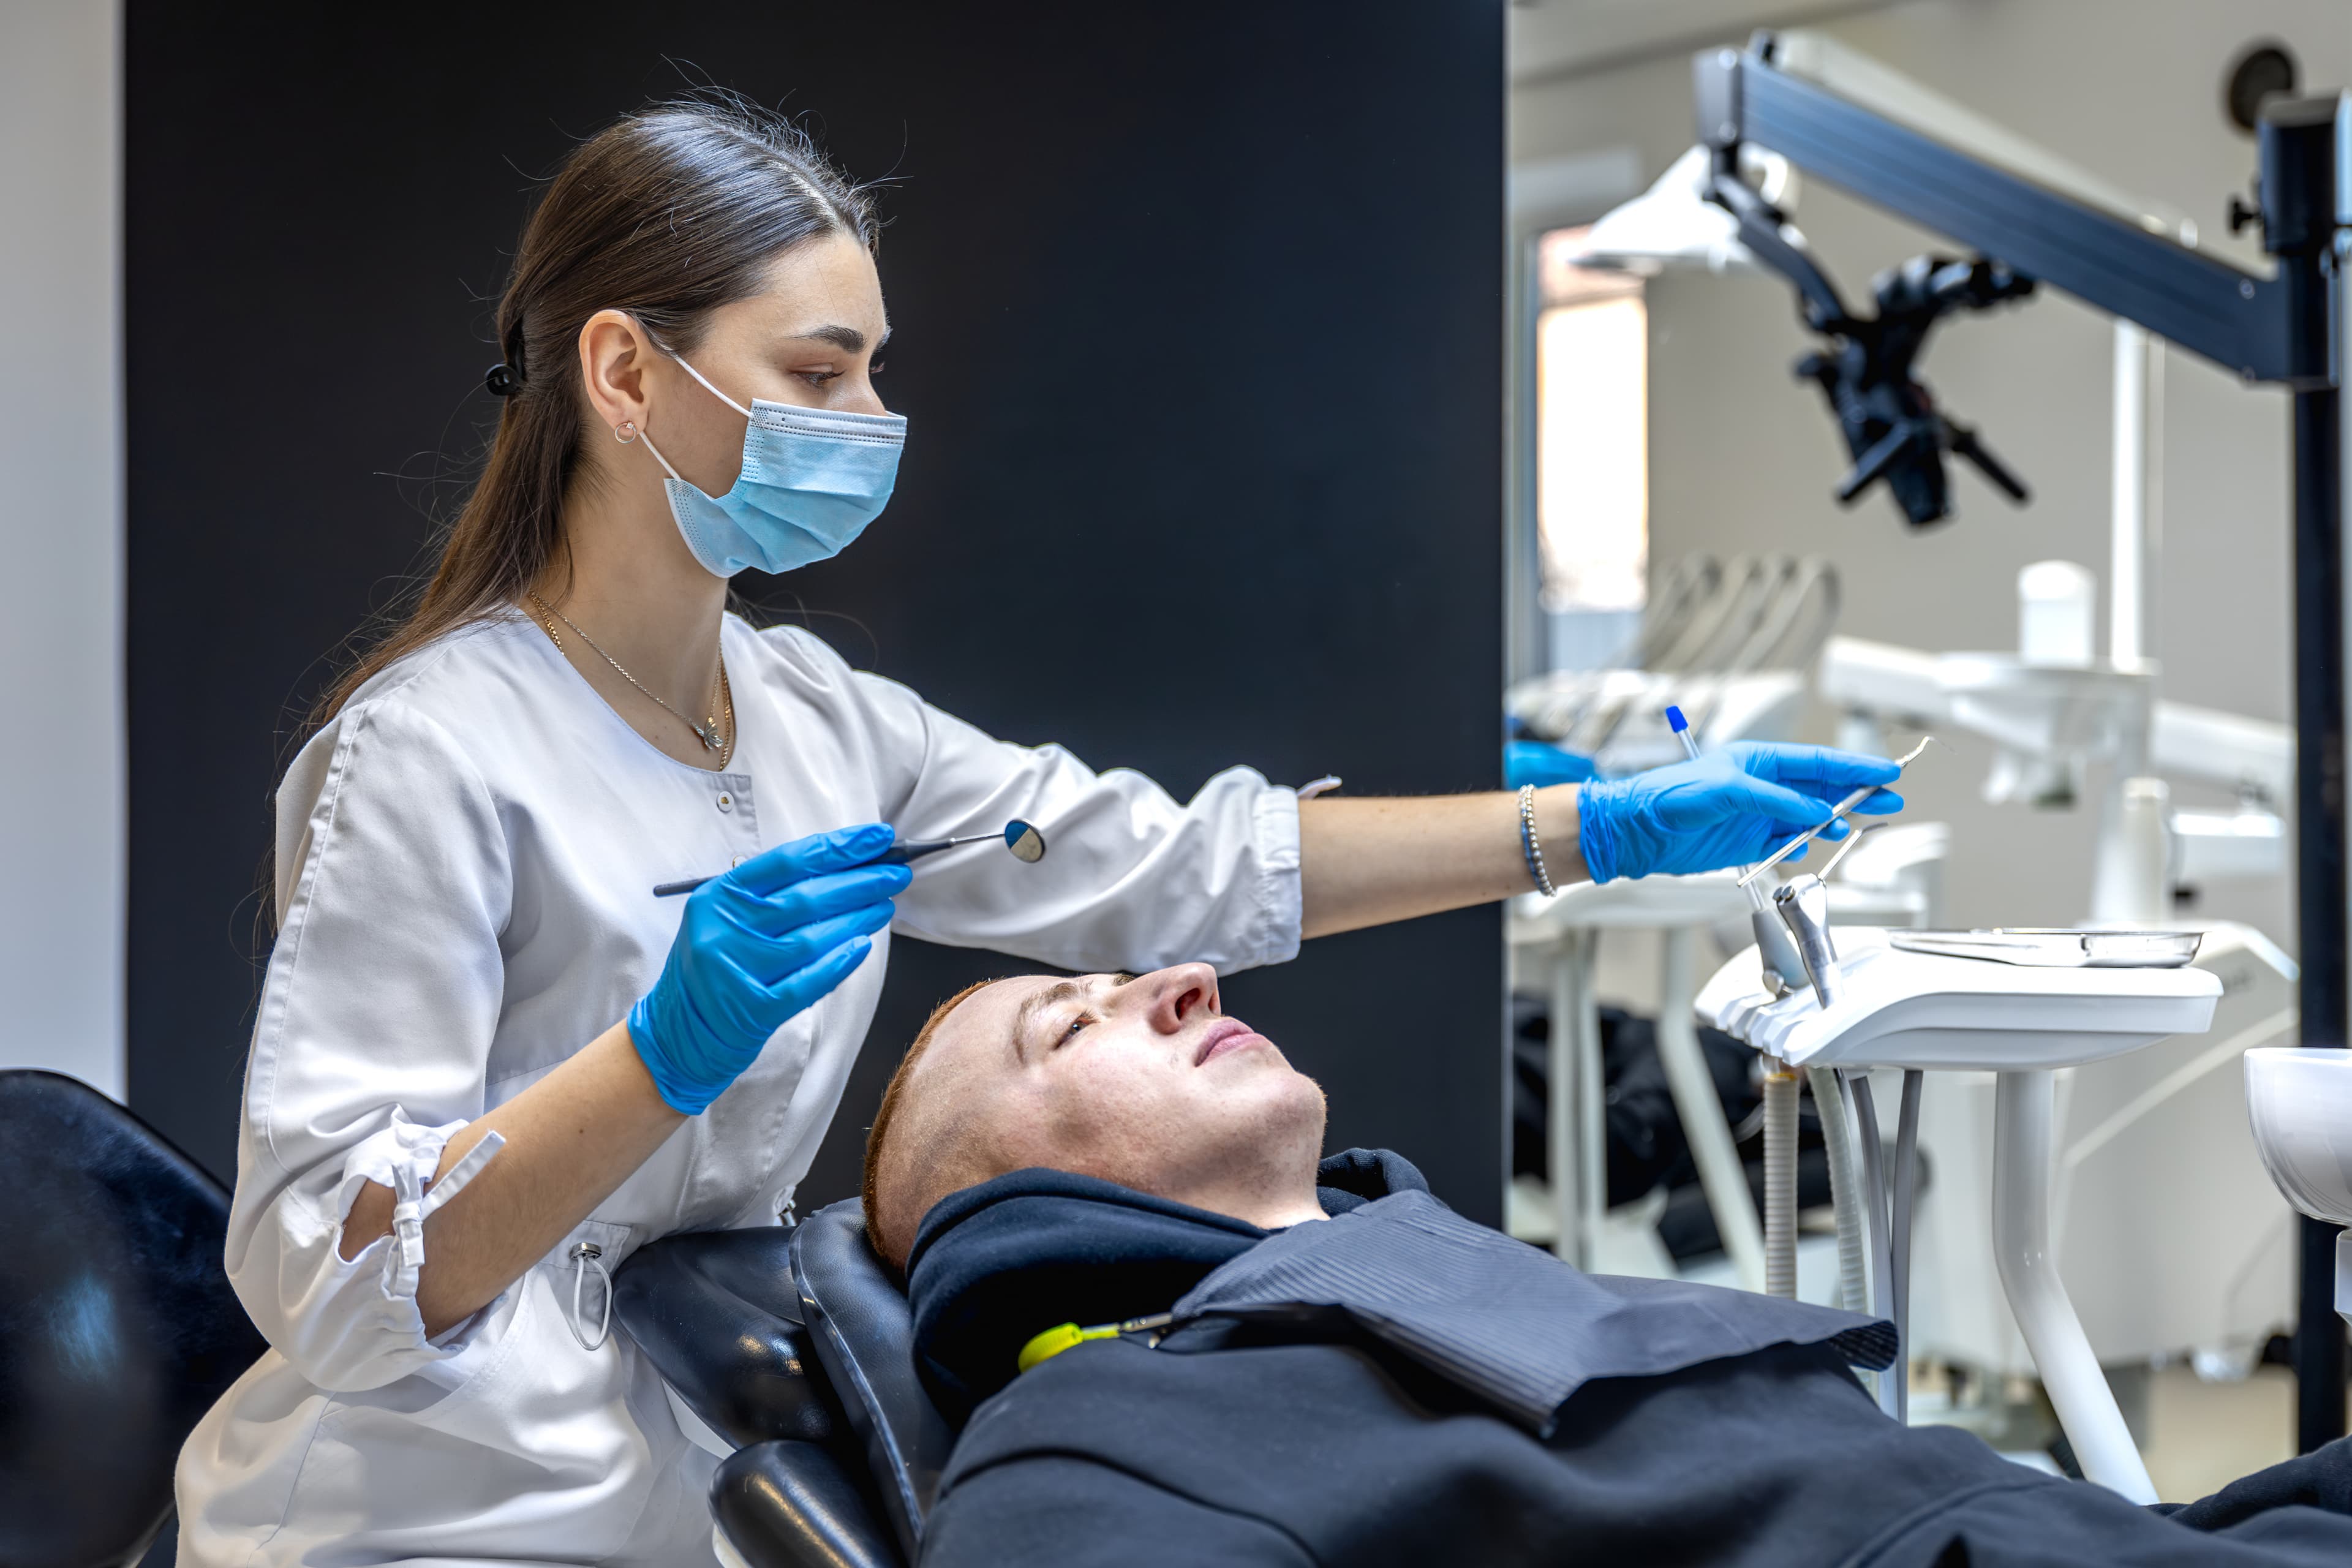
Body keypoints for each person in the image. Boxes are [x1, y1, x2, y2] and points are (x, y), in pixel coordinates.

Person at [172, 95, 1904, 1566]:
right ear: (625, 371)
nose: (868, 427)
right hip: (426, 1514)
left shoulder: (817, 722)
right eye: (819, 372)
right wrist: (657, 1057)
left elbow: (1181, 866)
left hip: (701, 1466)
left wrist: (1590, 830)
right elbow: (324, 1275)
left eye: (875, 374)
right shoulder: (432, 751)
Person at [873, 966, 2352, 1568]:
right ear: (1005, 1208)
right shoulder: (1089, 1438)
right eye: (1070, 1027)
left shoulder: (1374, 1294)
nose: (1179, 980)